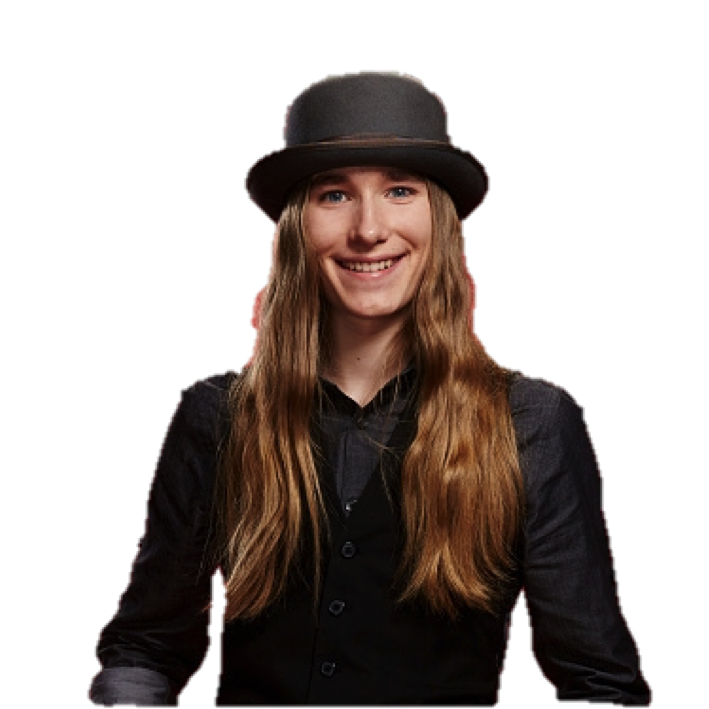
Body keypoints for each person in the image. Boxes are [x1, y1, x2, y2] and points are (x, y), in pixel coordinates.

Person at [87, 70, 652, 707]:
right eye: (334, 195)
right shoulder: (216, 414)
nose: (368, 229)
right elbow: (144, 649)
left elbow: (600, 684)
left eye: (400, 190)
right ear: (298, 229)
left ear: (441, 223)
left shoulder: (532, 420)